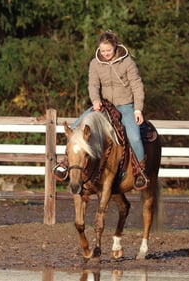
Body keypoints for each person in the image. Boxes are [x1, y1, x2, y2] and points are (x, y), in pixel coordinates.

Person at [53, 30, 149, 189]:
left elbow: (137, 85)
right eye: (103, 50)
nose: (105, 54)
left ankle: (140, 171)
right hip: (103, 105)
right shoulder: (94, 64)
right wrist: (95, 101)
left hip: (125, 105)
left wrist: (138, 109)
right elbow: (93, 85)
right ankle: (66, 162)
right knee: (74, 129)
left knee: (135, 137)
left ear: (115, 47)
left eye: (108, 50)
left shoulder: (128, 63)